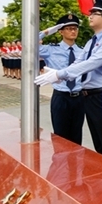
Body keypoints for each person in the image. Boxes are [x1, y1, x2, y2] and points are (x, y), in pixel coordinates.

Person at [35, 0, 102, 161]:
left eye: (94, 13)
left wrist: (60, 74)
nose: (90, 16)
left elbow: (91, 63)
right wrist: (61, 73)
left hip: (101, 96)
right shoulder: (92, 41)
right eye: (90, 13)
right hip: (86, 96)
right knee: (98, 143)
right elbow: (78, 62)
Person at [38, 14, 85, 145]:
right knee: (60, 137)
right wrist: (49, 31)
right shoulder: (51, 49)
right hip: (61, 97)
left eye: (75, 28)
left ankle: (75, 165)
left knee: (76, 136)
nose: (73, 31)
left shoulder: (83, 51)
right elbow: (29, 43)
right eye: (68, 28)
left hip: (79, 97)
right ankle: (60, 165)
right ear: (61, 31)